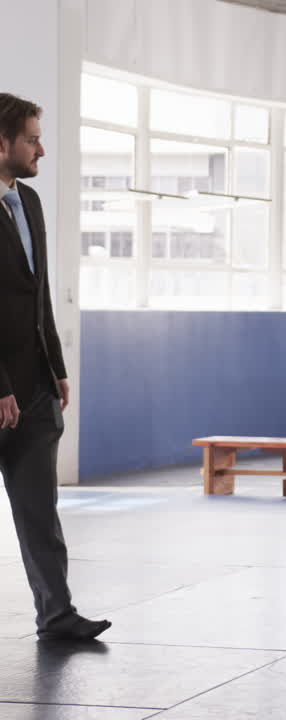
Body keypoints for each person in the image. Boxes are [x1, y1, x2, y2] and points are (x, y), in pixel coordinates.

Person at [0, 93, 110, 641]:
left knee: (40, 510)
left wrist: (57, 365)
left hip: (37, 387)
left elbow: (38, 292)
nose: (41, 147)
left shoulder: (32, 203)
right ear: (1, 143)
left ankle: (57, 613)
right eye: (32, 138)